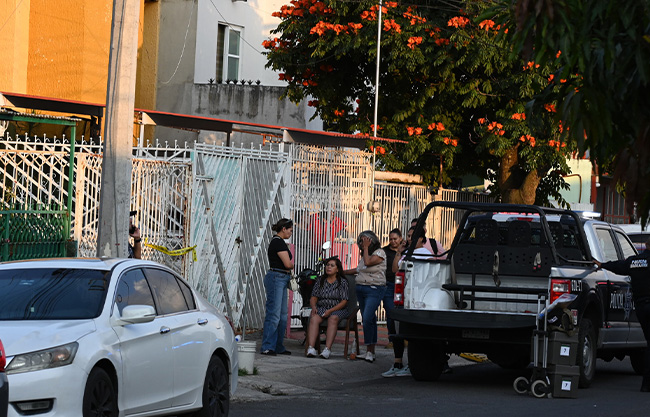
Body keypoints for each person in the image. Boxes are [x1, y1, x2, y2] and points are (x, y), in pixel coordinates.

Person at [594, 235, 650, 391]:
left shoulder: (634, 261)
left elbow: (618, 266)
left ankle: (647, 384)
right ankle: (647, 383)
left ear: (646, 245)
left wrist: (602, 265)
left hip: (641, 308)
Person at [384, 227, 434, 377]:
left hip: (417, 297)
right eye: (409, 236)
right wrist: (399, 252)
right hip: (402, 295)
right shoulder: (406, 253)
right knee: (396, 328)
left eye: (413, 236)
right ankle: (397, 362)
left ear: (421, 239)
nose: (410, 239)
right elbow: (395, 270)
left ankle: (413, 364)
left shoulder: (426, 254)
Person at [344, 230, 386, 363]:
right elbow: (359, 269)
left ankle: (369, 350)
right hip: (361, 288)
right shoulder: (365, 255)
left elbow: (368, 263)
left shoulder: (379, 253)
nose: (362, 243)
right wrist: (342, 272)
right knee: (370, 319)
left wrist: (366, 248)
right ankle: (370, 351)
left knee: (367, 318)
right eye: (361, 241)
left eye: (365, 240)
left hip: (374, 289)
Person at [261, 218, 295, 356]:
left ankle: (278, 346)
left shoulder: (280, 242)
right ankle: (268, 346)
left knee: (282, 316)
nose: (291, 233)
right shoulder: (278, 242)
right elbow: (287, 264)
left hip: (281, 278)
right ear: (284, 229)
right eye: (290, 230)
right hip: (277, 277)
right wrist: (292, 265)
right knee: (274, 314)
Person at [306, 257, 350, 359]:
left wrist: (330, 311)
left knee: (333, 318)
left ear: (337, 269)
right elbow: (314, 297)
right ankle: (311, 348)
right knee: (314, 318)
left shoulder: (342, 282)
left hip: (338, 309)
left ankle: (327, 349)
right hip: (322, 307)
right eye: (327, 265)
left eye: (332, 265)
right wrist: (314, 307)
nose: (329, 267)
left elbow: (344, 301)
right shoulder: (320, 280)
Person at [382, 229, 403, 351]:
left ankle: (403, 338)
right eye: (391, 239)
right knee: (390, 312)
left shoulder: (406, 250)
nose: (393, 241)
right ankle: (392, 339)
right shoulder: (384, 252)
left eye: (395, 239)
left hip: (403, 286)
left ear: (400, 238)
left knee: (402, 312)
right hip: (389, 285)